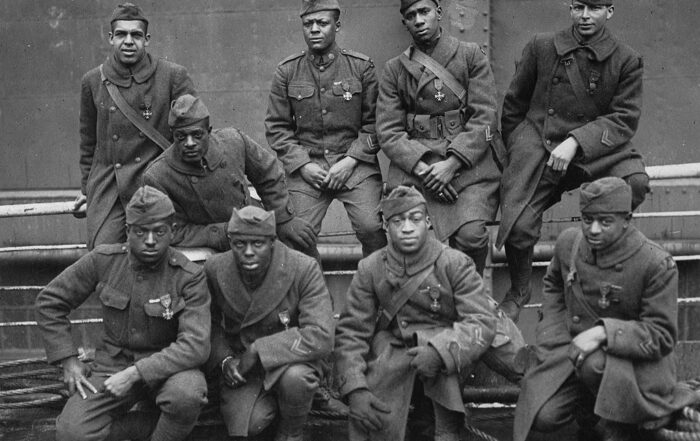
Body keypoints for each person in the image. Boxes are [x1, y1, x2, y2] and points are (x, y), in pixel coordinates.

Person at [497, 0, 649, 321]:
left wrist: (576, 141)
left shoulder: (626, 59)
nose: (585, 16)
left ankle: (597, 265)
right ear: (569, 9)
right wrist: (520, 150)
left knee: (634, 183)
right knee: (519, 225)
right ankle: (519, 289)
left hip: (596, 148)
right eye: (579, 7)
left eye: (594, 8)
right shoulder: (542, 46)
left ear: (609, 11)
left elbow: (624, 118)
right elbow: (513, 105)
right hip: (541, 143)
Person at [513, 177, 695, 441]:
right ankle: (593, 413)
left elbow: (662, 335)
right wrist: (552, 334)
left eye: (605, 222)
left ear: (626, 220)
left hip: (634, 367)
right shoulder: (569, 244)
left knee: (594, 364)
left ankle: (620, 424)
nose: (594, 230)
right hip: (573, 353)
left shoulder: (655, 263)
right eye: (587, 220)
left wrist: (602, 334)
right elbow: (553, 283)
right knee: (542, 416)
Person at [35, 185, 211, 441]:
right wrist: (68, 360)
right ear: (128, 231)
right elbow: (50, 301)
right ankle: (142, 430)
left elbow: (195, 346)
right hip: (112, 367)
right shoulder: (104, 260)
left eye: (159, 231)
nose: (150, 240)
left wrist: (134, 374)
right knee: (72, 432)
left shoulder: (188, 276)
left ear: (172, 231)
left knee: (187, 395)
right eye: (140, 231)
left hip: (168, 369)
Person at [334, 186, 501, 441]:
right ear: (386, 227)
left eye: (415, 219)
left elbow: (481, 321)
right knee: (376, 423)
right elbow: (352, 332)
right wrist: (355, 388)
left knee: (441, 431)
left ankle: (438, 424)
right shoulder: (371, 268)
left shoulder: (454, 262)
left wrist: (440, 353)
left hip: (447, 350)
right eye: (397, 221)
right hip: (395, 351)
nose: (407, 228)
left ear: (428, 222)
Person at [376, 0, 504, 276]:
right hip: (417, 168)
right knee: (410, 238)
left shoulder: (470, 55)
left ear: (439, 13)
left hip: (467, 165)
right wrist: (426, 171)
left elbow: (485, 116)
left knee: (471, 237)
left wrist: (452, 164)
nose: (419, 20)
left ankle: (469, 292)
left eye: (424, 12)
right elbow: (388, 131)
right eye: (411, 15)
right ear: (405, 22)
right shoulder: (395, 69)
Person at [265, 0, 387, 260]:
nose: (314, 29)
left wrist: (350, 161)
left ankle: (375, 284)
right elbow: (277, 128)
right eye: (308, 24)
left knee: (372, 227)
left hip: (355, 166)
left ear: (337, 25)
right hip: (309, 167)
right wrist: (303, 165)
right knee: (296, 234)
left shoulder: (361, 67)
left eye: (322, 23)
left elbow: (375, 124)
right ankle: (313, 284)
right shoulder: (287, 71)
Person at [204, 206, 334, 441]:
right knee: (251, 425)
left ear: (272, 242)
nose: (248, 252)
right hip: (244, 367)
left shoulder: (303, 267)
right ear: (231, 242)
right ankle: (275, 407)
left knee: (296, 379)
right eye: (239, 244)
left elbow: (321, 335)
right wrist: (224, 361)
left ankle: (292, 431)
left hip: (292, 359)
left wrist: (259, 350)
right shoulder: (215, 268)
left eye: (258, 244)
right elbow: (207, 325)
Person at [76, 3, 197, 250]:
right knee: (104, 254)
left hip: (158, 185)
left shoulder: (172, 76)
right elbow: (89, 143)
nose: (129, 41)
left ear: (147, 39)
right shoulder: (93, 81)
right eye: (121, 34)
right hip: (110, 188)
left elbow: (194, 132)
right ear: (110, 38)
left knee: (157, 251)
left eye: (136, 35)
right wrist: (86, 190)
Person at [144, 94, 316, 252]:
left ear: (209, 131)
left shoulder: (233, 141)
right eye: (181, 137)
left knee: (302, 245)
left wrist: (283, 219)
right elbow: (174, 231)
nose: (189, 143)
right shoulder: (157, 176)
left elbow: (268, 174)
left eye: (197, 135)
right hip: (210, 244)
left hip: (254, 223)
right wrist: (226, 231)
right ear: (173, 135)